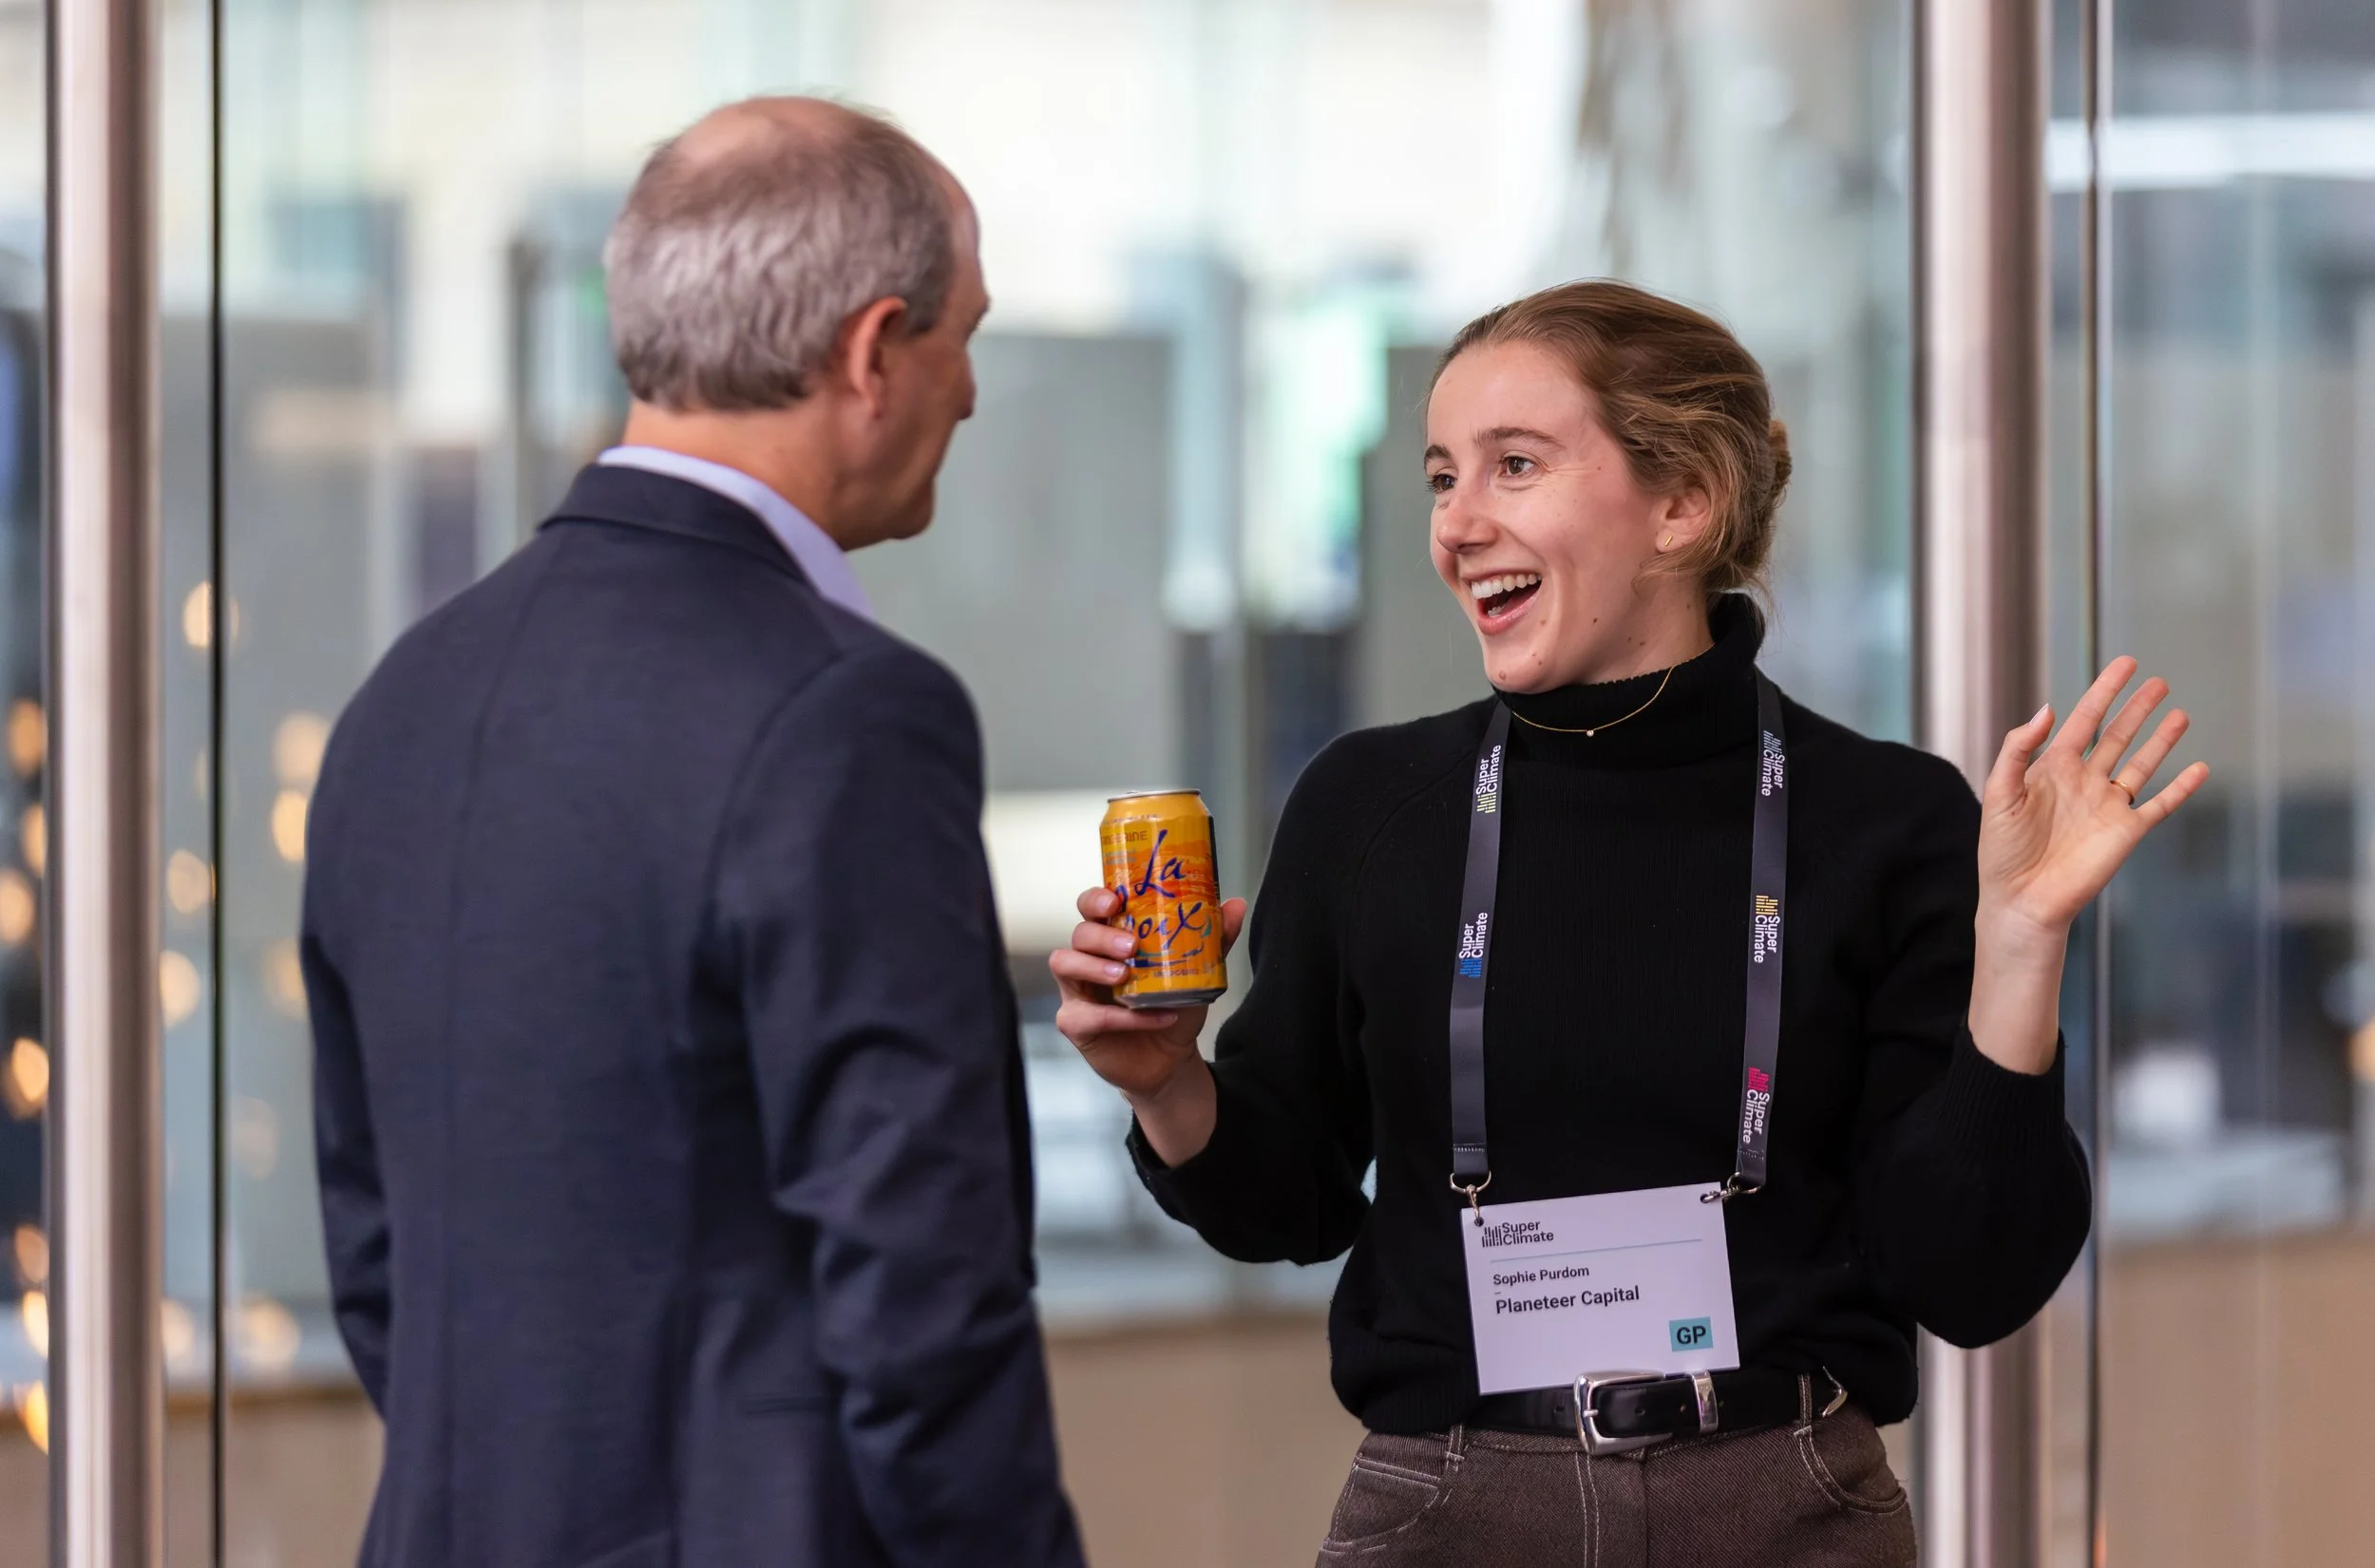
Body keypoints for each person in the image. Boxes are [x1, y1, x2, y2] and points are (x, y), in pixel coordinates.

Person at [1053, 280, 2205, 1566]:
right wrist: (1169, 1085)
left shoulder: (1887, 819)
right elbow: (1288, 1201)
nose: (1458, 524)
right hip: (1452, 1509)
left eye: (1515, 465)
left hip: (1788, 1512)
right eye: (1443, 477)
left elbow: (1970, 1279)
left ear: (1683, 503)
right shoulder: (1372, 806)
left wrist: (2022, 945)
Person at [302, 98, 1085, 1568]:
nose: (973, 393)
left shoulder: (404, 695)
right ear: (871, 350)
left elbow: (377, 1257)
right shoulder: (848, 713)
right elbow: (920, 1299)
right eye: (964, 336)